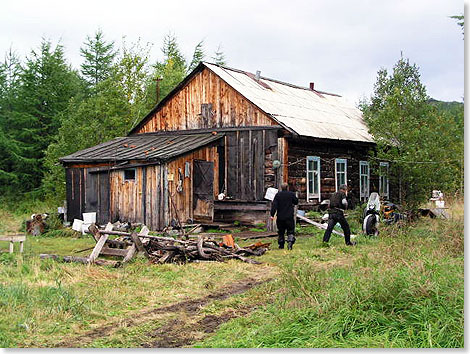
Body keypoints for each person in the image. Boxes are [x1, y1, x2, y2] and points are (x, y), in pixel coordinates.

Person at [270, 183, 299, 250]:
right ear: (287, 187)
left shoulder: (278, 195)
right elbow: (296, 202)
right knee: (290, 230)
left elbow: (274, 205)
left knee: (281, 231)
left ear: (281, 188)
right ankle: (290, 243)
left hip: (280, 217)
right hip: (289, 216)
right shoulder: (291, 194)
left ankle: (281, 245)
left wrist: (272, 214)